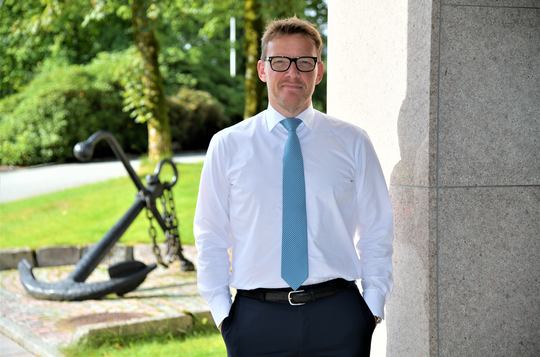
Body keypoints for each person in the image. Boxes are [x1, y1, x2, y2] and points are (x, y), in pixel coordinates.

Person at [194, 17, 393, 357]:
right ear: (262, 70)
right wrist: (223, 315)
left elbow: (377, 230)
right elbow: (210, 235)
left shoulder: (353, 142)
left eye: (305, 62)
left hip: (339, 317)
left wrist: (370, 308)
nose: (292, 73)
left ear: (319, 71)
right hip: (255, 320)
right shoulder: (227, 145)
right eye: (280, 62)